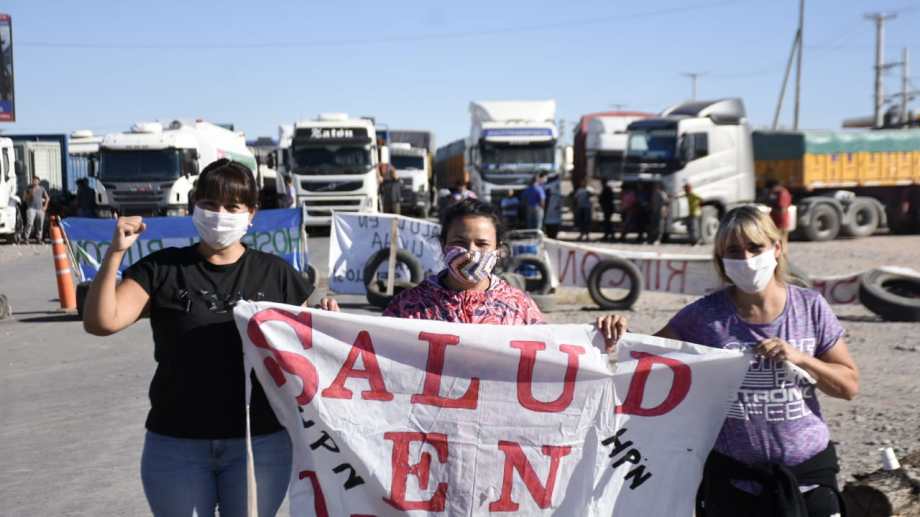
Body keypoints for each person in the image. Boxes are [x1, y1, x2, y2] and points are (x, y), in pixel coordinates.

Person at [83, 159, 314, 517]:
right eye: (209, 204)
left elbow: (313, 349)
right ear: (194, 205)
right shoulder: (161, 269)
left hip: (260, 444)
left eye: (232, 207)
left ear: (251, 214)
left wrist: (328, 318)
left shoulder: (278, 276)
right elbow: (102, 321)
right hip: (176, 444)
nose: (219, 215)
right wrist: (114, 254)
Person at [654, 206, 858, 517]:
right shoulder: (703, 316)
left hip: (809, 479)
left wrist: (801, 359)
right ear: (721, 259)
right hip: (736, 484)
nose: (746, 259)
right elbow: (644, 358)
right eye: (734, 251)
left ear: (777, 247)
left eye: (755, 247)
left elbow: (848, 387)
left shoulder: (810, 307)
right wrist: (612, 335)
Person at [318, 199, 626, 351]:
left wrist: (601, 341)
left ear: (499, 251)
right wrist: (331, 329)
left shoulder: (519, 307)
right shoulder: (408, 307)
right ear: (443, 246)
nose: (470, 251)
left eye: (482, 244)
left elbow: (555, 362)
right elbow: (371, 356)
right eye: (459, 242)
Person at [765, 178, 792, 246]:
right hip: (776, 222)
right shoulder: (775, 193)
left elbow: (782, 209)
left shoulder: (783, 193)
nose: (770, 191)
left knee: (781, 241)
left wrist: (773, 210)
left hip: (781, 222)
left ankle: (783, 252)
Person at [24, 176, 49, 243]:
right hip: (31, 208)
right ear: (32, 181)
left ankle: (39, 238)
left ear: (39, 181)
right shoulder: (28, 188)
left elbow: (47, 198)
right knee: (29, 223)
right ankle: (26, 238)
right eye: (34, 180)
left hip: (40, 209)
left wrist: (45, 206)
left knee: (40, 224)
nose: (35, 182)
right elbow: (24, 198)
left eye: (36, 180)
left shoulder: (42, 188)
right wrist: (30, 193)